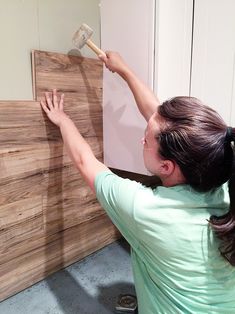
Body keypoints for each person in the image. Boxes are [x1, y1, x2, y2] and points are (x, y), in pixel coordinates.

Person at [40, 51, 235, 314]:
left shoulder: (144, 209)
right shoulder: (223, 182)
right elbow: (159, 119)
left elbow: (86, 161)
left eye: (145, 138)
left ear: (167, 167)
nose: (141, 140)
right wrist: (124, 70)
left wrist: (62, 119)